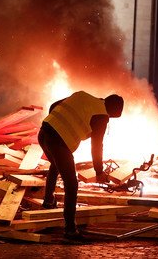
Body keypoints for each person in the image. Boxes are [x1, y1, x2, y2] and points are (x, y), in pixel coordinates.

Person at [38, 91, 124, 239]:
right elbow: (96, 145)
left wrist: (55, 124)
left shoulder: (83, 96)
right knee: (72, 184)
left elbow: (53, 106)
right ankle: (70, 229)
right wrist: (99, 172)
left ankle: (48, 202)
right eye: (112, 116)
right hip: (58, 143)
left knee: (55, 165)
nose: (109, 119)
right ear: (112, 111)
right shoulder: (102, 116)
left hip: (43, 132)